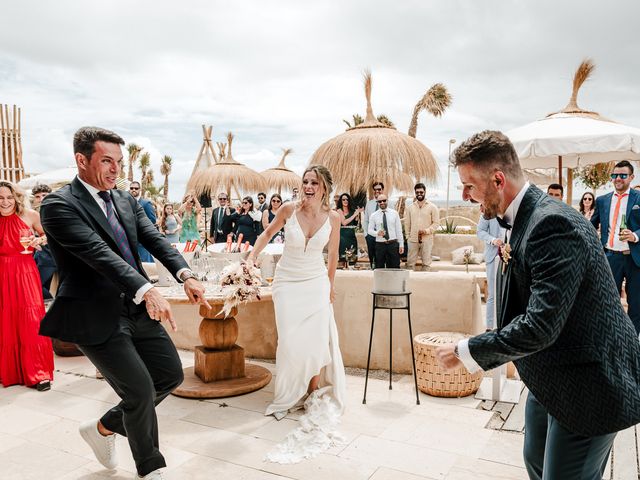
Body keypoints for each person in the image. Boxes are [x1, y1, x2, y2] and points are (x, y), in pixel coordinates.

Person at [435, 130, 640, 480]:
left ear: (498, 180)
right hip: (550, 376)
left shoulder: (553, 223)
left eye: (469, 186)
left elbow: (540, 325)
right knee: (536, 462)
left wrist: (469, 350)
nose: (466, 196)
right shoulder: (521, 217)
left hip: (590, 385)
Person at [39, 127, 210, 480]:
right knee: (140, 390)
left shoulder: (125, 200)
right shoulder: (58, 205)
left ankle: (102, 428)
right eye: (106, 161)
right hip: (93, 313)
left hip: (135, 309)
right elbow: (98, 253)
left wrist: (185, 274)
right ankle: (151, 468)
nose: (116, 169)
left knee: (169, 375)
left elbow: (157, 240)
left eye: (119, 161)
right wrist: (147, 290)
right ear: (81, 160)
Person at [247, 165, 345, 435]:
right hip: (287, 283)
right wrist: (251, 258)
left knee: (314, 341)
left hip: (316, 283)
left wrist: (330, 285)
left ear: (324, 187)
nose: (309, 187)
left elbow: (334, 255)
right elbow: (267, 234)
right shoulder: (288, 210)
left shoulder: (334, 218)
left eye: (315, 183)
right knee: (290, 342)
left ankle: (312, 393)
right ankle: (289, 394)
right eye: (306, 182)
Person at [0, 181, 54, 391]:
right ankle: (8, 370)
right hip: (2, 272)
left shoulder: (30, 215)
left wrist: (38, 242)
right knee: (5, 320)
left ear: (16, 197)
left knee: (31, 320)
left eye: (9, 197)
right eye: (1, 198)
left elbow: (48, 236)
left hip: (25, 271)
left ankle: (38, 372)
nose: (5, 202)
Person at [591, 160, 640, 333]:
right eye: (614, 175)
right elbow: (591, 226)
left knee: (636, 304)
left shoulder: (638, 198)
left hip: (635, 259)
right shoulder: (602, 200)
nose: (618, 178)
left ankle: (632, 342)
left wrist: (635, 235)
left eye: (623, 175)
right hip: (610, 257)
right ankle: (610, 338)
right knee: (607, 302)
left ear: (631, 177)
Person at [476, 205, 503, 330]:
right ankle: (490, 328)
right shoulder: (488, 211)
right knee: (492, 293)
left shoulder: (511, 211)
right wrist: (493, 240)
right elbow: (480, 232)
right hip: (493, 256)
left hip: (511, 257)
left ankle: (504, 326)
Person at [404, 183, 439, 271]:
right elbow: (407, 224)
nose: (419, 194)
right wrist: (408, 237)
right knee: (410, 263)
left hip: (427, 240)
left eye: (421, 192)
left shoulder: (432, 207)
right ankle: (409, 283)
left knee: (426, 263)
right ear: (415, 193)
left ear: (425, 192)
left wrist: (426, 231)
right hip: (413, 240)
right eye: (417, 192)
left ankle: (425, 282)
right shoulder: (410, 208)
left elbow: (436, 223)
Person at [31, 184, 57, 302]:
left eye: (44, 195)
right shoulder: (35, 213)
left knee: (34, 285)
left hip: (50, 256)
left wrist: (41, 238)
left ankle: (53, 306)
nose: (41, 199)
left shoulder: (56, 210)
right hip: (40, 254)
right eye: (37, 196)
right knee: (42, 285)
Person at [367, 194, 404, 269]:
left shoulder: (394, 213)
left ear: (387, 201)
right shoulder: (374, 215)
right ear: (377, 202)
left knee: (395, 268)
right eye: (380, 201)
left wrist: (401, 245)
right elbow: (369, 230)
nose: (382, 203)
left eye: (384, 200)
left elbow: (398, 230)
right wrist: (377, 233)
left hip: (393, 244)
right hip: (380, 245)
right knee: (379, 269)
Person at [129, 181, 157, 262]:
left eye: (136, 188)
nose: (133, 190)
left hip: (142, 241)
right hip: (130, 240)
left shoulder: (146, 203)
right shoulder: (125, 202)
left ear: (139, 190)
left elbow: (152, 220)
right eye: (131, 188)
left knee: (146, 265)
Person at [362, 181, 384, 269]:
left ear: (383, 190)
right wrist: (366, 234)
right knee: (372, 257)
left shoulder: (388, 203)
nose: (377, 191)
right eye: (375, 190)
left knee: (381, 257)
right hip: (370, 235)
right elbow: (366, 220)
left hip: (382, 235)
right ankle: (373, 273)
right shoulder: (369, 203)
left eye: (379, 189)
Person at [337, 193, 362, 267]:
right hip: (343, 236)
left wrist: (357, 216)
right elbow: (344, 222)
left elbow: (355, 224)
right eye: (343, 199)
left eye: (347, 199)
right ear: (341, 201)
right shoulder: (339, 211)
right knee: (343, 257)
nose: (345, 201)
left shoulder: (352, 211)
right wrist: (354, 214)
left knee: (352, 257)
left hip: (352, 235)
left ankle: (351, 270)